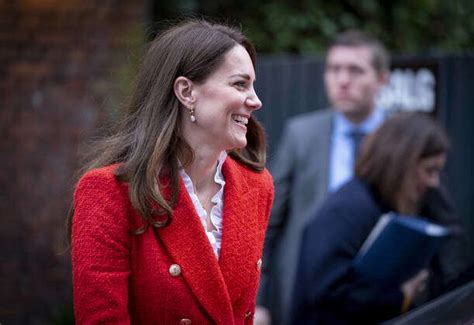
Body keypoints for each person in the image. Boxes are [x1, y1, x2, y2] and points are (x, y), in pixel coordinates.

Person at [68, 19, 274, 324]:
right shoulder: (107, 192)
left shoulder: (257, 186)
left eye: (252, 86)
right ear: (186, 91)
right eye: (239, 84)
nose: (255, 101)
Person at [258, 29, 390, 324]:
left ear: (382, 79)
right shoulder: (301, 134)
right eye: (334, 69)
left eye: (355, 70)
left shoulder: (402, 138)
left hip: (382, 294)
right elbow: (268, 220)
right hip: (308, 293)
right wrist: (259, 301)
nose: (343, 80)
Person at [291, 112, 469, 324]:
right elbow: (327, 294)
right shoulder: (346, 209)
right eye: (429, 170)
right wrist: (400, 296)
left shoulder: (387, 202)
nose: (434, 182)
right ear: (401, 165)